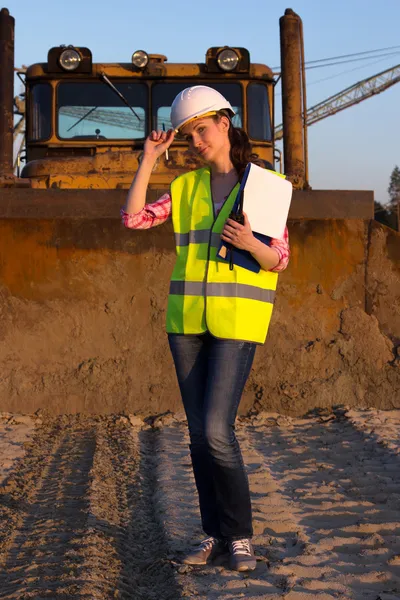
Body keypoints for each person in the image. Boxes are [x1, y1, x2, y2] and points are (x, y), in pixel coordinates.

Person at [121, 85, 290, 572]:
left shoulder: (266, 186)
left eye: (202, 129)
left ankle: (238, 538)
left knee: (217, 430)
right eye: (188, 133)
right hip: (187, 323)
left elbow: (279, 258)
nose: (196, 140)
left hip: (238, 321)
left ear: (225, 123)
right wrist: (150, 158)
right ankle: (213, 535)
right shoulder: (186, 188)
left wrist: (249, 244)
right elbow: (133, 219)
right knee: (198, 436)